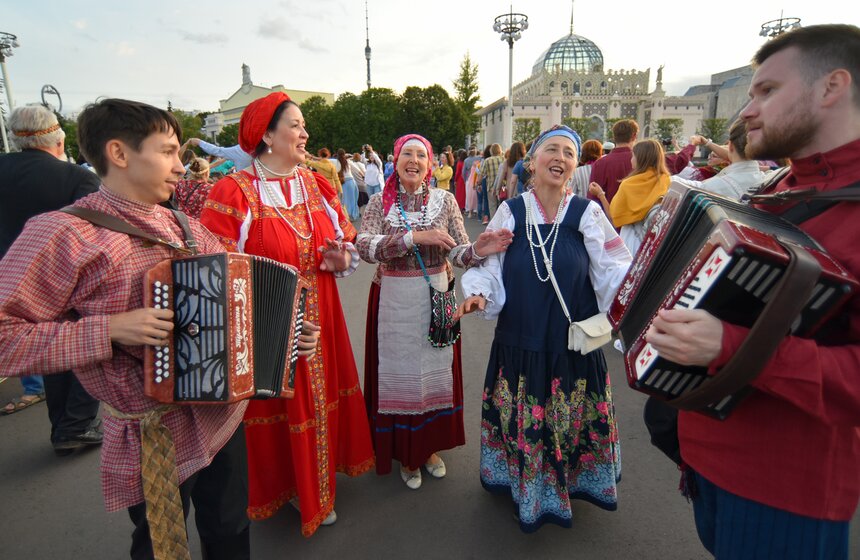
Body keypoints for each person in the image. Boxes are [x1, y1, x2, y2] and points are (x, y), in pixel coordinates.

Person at [0, 98, 262, 559]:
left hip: (221, 417)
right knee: (161, 546)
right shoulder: (63, 233)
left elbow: (238, 293)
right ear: (119, 154)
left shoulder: (182, 224)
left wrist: (286, 331)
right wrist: (110, 329)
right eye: (168, 152)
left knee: (230, 528)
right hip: (153, 431)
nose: (182, 167)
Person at [646, 24, 860, 559]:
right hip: (703, 454)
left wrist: (730, 347)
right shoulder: (777, 186)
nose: (746, 111)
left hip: (783, 485)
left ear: (832, 87)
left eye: (767, 91)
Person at [200, 92, 374, 536]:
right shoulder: (232, 191)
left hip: (325, 313)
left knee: (321, 394)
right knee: (284, 402)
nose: (305, 133)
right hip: (268, 323)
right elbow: (214, 270)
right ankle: (292, 484)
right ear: (267, 135)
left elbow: (344, 237)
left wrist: (339, 258)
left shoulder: (315, 184)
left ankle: (320, 473)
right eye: (296, 125)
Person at [458, 125, 631, 532]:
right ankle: (527, 486)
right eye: (550, 150)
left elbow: (614, 268)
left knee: (570, 417)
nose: (559, 157)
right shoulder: (511, 212)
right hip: (521, 338)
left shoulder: (586, 213)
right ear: (531, 162)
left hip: (572, 344)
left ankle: (571, 481)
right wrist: (480, 292)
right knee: (526, 416)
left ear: (575, 165)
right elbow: (491, 262)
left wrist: (632, 303)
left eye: (568, 152)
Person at [355, 133, 513, 491]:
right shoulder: (381, 202)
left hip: (436, 296)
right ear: (395, 161)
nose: (414, 160)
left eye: (421, 155)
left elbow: (458, 253)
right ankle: (405, 455)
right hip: (392, 299)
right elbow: (364, 246)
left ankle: (427, 449)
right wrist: (413, 239)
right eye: (406, 154)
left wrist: (479, 248)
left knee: (434, 374)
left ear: (430, 164)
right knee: (398, 376)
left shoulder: (444, 201)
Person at [0, 104, 102, 454]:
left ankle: (63, 425)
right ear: (58, 137)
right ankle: (77, 424)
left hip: (11, 280)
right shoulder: (75, 177)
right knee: (85, 347)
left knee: (49, 355)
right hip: (67, 279)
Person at [599, 138, 670, 256]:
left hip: (631, 244)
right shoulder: (666, 180)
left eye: (633, 156)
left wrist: (601, 195)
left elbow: (613, 216)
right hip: (656, 246)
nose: (631, 159)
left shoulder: (628, 185)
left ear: (641, 159)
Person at [674, 118, 766, 200]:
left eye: (714, 156)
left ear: (730, 146)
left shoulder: (714, 186)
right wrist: (707, 143)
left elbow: (676, 183)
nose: (711, 157)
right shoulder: (767, 180)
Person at [185, 137, 252, 171]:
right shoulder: (260, 149)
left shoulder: (240, 149)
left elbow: (217, 151)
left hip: (246, 186)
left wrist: (199, 142)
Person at [335, 148, 360, 220]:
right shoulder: (348, 162)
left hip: (342, 181)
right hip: (351, 181)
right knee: (353, 199)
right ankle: (353, 214)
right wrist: (349, 155)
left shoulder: (336, 162)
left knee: (344, 200)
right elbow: (358, 170)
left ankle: (346, 215)